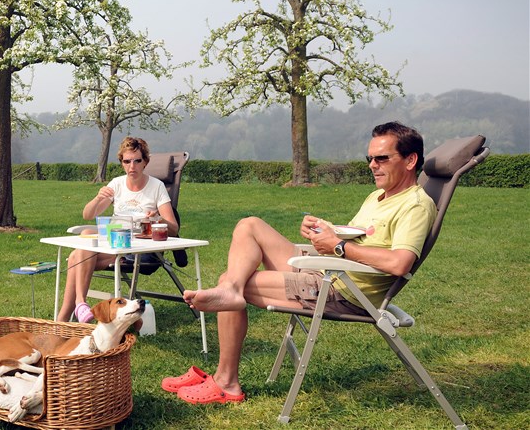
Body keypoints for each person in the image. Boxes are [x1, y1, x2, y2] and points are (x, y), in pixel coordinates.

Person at [161, 122, 437, 404]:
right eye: (370, 158)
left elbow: (400, 263)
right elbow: (361, 239)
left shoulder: (415, 205)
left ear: (410, 160)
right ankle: (230, 292)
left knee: (230, 282)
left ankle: (226, 382)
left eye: (382, 158)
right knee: (249, 225)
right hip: (327, 269)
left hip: (341, 290)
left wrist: (338, 246)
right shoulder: (378, 197)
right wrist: (324, 231)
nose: (372, 166)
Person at [55, 137, 180, 323]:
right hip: (113, 244)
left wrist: (157, 218)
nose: (132, 166)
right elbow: (88, 215)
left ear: (145, 161)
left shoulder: (156, 187)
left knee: (76, 257)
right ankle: (79, 304)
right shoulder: (117, 184)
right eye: (127, 161)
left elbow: (173, 228)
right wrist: (98, 198)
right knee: (87, 234)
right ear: (121, 162)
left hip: (137, 250)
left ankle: (65, 317)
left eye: (137, 161)